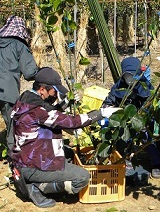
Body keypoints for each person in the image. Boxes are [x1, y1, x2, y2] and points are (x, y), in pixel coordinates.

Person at [9, 67, 120, 208]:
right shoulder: (37, 110)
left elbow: (47, 114)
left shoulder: (26, 99)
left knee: (67, 153)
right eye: (54, 91)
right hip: (32, 165)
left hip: (25, 157)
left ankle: (35, 179)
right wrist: (100, 113)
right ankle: (38, 186)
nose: (55, 94)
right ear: (42, 89)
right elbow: (70, 122)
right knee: (82, 177)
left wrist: (65, 103)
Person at [102, 56, 160, 179]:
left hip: (143, 119)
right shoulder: (118, 86)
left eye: (132, 75)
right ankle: (126, 157)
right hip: (125, 119)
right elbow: (109, 101)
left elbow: (151, 107)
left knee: (148, 138)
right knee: (123, 136)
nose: (130, 79)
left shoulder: (145, 87)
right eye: (127, 76)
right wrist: (108, 108)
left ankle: (156, 163)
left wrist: (142, 119)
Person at [0, 15, 38, 150]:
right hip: (8, 93)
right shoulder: (19, 45)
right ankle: (14, 162)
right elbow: (29, 73)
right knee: (12, 126)